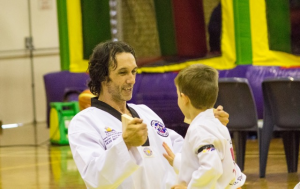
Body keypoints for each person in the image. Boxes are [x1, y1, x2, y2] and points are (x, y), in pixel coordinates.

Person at [68, 41, 229, 189]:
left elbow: (181, 150)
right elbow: (95, 178)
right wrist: (125, 144)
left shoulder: (146, 113)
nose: (131, 80)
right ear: (102, 77)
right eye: (123, 73)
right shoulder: (84, 122)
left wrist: (207, 125)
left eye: (134, 71)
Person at [163, 64, 246, 189]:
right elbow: (205, 164)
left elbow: (212, 167)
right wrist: (177, 161)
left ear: (184, 98)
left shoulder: (199, 129)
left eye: (177, 95)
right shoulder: (216, 123)